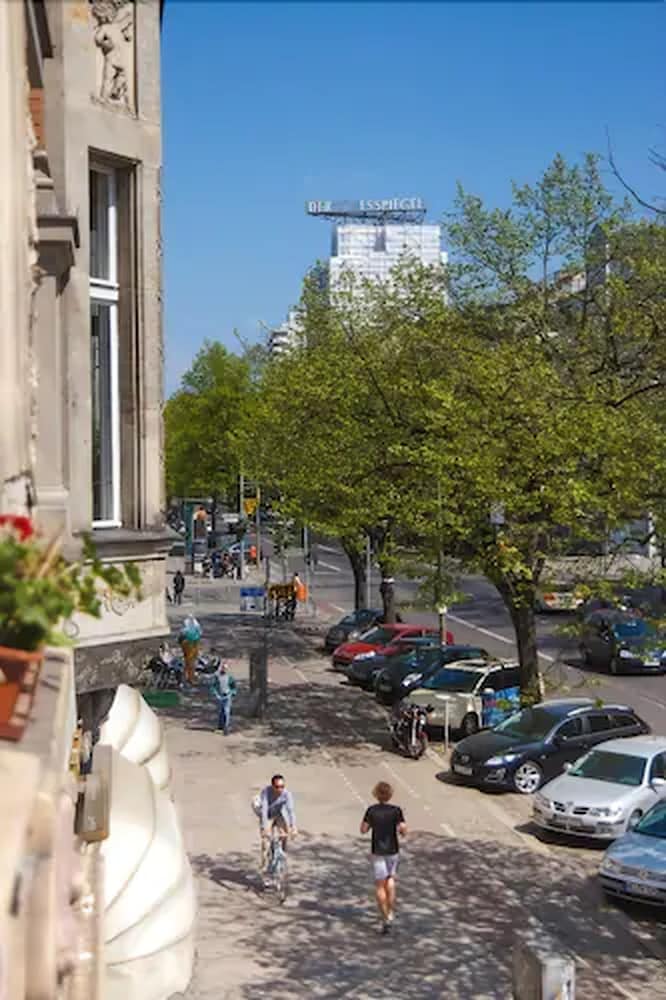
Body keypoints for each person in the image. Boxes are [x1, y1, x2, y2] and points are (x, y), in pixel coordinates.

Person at [360, 781, 407, 934]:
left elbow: (363, 829)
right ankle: (391, 911)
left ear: (376, 794)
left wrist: (372, 824)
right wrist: (402, 832)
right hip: (393, 850)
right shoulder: (396, 811)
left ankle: (385, 917)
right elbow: (403, 829)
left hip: (378, 851)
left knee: (380, 885)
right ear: (390, 795)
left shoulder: (371, 810)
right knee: (390, 880)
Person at [255, 774, 297, 875]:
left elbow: (291, 811)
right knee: (266, 842)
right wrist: (264, 828)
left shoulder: (287, 794)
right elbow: (264, 810)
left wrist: (293, 827)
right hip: (268, 815)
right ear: (272, 786)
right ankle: (263, 865)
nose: (280, 789)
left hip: (279, 814)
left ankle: (282, 859)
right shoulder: (266, 792)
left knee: (284, 835)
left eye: (282, 786)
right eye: (277, 787)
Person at [210, 661, 237, 733]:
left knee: (226, 712)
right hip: (220, 696)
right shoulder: (217, 677)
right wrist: (216, 694)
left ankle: (226, 728)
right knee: (221, 712)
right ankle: (220, 727)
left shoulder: (230, 677)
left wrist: (232, 693)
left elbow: (234, 687)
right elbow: (213, 687)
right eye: (223, 668)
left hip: (227, 696)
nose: (224, 669)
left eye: (226, 668)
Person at [179, 613, 201, 683]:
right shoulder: (194, 626)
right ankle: (190, 678)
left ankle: (188, 677)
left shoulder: (189, 627)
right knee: (190, 663)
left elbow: (181, 638)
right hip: (190, 647)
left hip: (191, 647)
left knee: (190, 663)